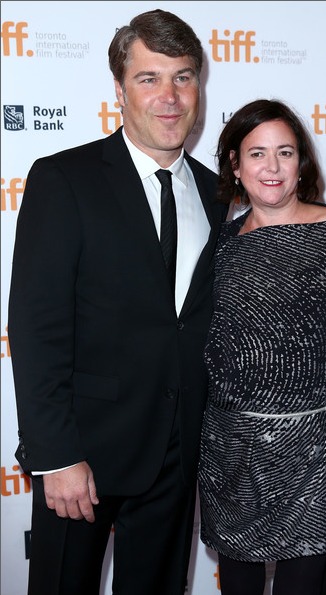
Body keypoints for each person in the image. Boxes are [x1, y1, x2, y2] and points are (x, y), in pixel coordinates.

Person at [8, 9, 226, 595]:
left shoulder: (218, 193)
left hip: (177, 460)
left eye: (183, 77)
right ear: (119, 89)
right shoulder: (65, 179)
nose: (170, 97)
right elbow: (35, 326)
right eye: (149, 78)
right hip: (82, 457)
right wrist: (55, 456)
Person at [197, 98, 326, 595]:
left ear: (300, 162)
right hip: (231, 449)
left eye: (285, 152)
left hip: (317, 450)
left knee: (305, 586)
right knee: (237, 586)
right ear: (236, 167)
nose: (272, 166)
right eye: (257, 153)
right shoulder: (222, 245)